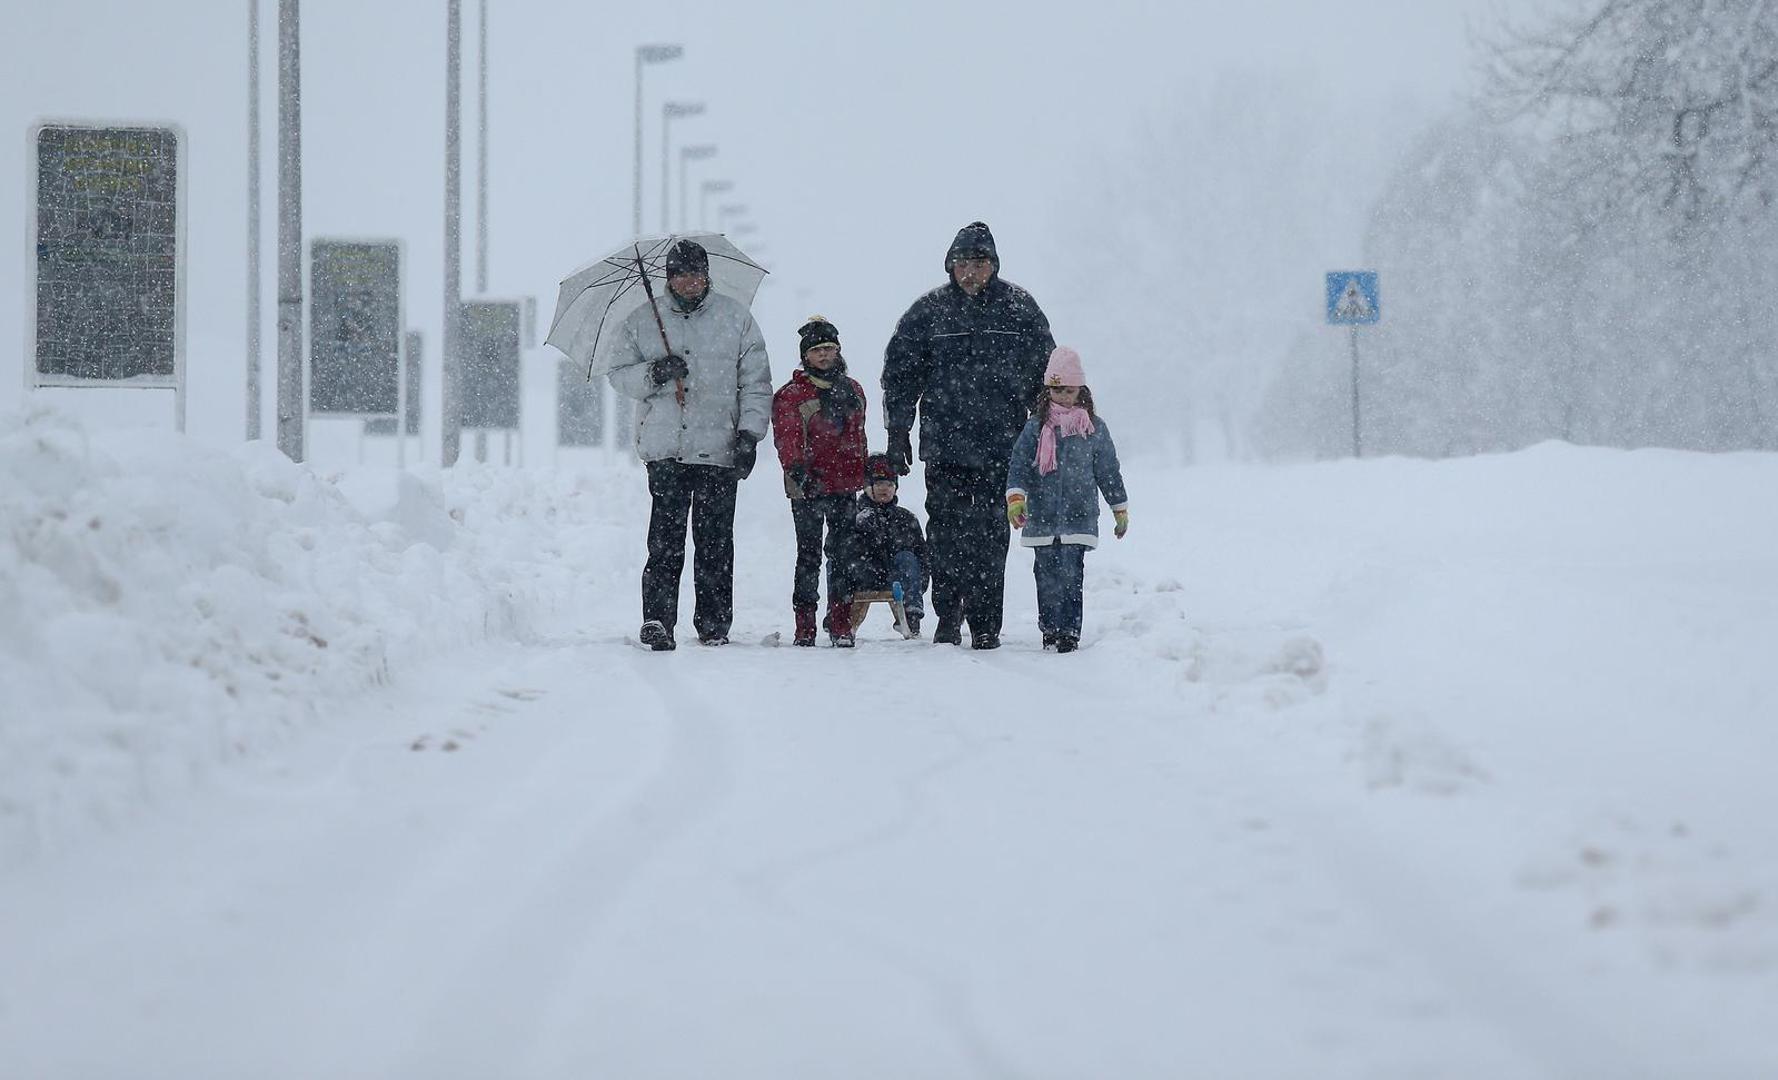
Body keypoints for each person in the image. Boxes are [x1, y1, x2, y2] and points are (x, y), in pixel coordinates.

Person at [882, 221, 1056, 649]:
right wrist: (897, 432)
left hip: (1004, 447)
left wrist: (1045, 431)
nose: (970, 271)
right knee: (945, 531)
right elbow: (900, 376)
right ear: (950, 266)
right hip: (945, 446)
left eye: (979, 262)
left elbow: (1045, 377)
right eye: (962, 263)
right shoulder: (928, 313)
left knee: (993, 534)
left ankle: (985, 622)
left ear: (993, 265)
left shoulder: (1019, 310)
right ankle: (947, 613)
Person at [606, 239, 772, 650]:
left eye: (696, 273)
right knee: (665, 541)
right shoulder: (642, 321)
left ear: (707, 275)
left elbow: (755, 382)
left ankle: (714, 622)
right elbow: (618, 374)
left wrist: (750, 434)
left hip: (720, 448)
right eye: (681, 273)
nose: (689, 281)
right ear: (669, 277)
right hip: (666, 449)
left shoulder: (737, 320)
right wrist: (655, 372)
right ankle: (658, 619)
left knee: (715, 541)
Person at [1004, 346, 1129, 653]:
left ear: (1080, 390)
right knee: (1045, 575)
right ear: (1048, 390)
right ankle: (1049, 626)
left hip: (1079, 515)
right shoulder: (1036, 428)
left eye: (1069, 390)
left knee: (1072, 573)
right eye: (1057, 390)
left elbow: (1108, 470)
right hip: (1042, 517)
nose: (1063, 396)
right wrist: (1016, 498)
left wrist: (1119, 508)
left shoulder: (1094, 428)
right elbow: (1019, 464)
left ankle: (1069, 631)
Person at [770, 316, 867, 647]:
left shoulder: (853, 390)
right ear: (805, 356)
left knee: (843, 556)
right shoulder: (791, 395)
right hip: (807, 487)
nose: (825, 356)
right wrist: (798, 471)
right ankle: (805, 626)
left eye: (830, 348)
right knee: (808, 556)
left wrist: (864, 471)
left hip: (845, 486)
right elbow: (787, 438)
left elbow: (859, 436)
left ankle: (840, 623)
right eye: (817, 350)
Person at [837, 453, 929, 641]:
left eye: (889, 484)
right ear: (867, 487)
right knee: (839, 561)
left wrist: (921, 582)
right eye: (879, 484)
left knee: (907, 558)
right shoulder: (854, 517)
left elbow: (922, 555)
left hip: (895, 577)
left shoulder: (906, 518)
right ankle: (838, 619)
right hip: (862, 575)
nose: (884, 489)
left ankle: (911, 616)